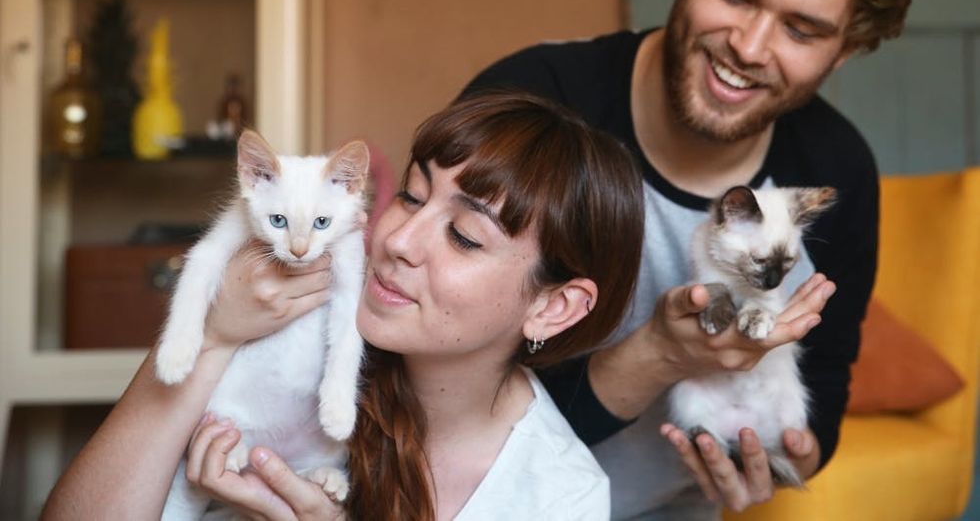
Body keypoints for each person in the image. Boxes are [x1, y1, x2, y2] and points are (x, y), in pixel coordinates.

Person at [460, 0, 929, 518]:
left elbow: (825, 378)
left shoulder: (837, 170)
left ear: (846, 49)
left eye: (801, 30)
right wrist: (655, 354)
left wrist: (783, 459)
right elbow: (435, 393)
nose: (748, 46)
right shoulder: (533, 103)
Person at [43, 91, 647, 520]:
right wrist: (211, 336)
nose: (396, 241)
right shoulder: (283, 305)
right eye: (411, 198)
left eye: (464, 235)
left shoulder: (561, 496)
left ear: (555, 307)